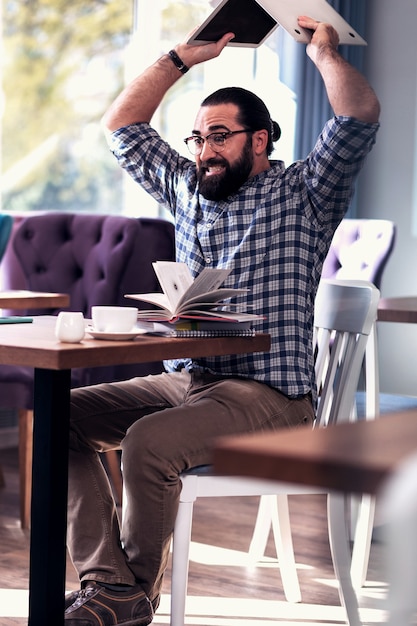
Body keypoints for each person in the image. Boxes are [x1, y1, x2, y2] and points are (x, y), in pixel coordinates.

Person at [65, 16, 380, 626]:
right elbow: (121, 128)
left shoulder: (306, 192)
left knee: (147, 442)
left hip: (269, 393)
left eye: (219, 136)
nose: (204, 150)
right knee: (61, 417)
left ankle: (127, 597)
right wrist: (179, 60)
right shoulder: (187, 186)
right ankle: (111, 585)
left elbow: (358, 116)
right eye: (196, 138)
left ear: (259, 140)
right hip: (190, 378)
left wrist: (322, 55)